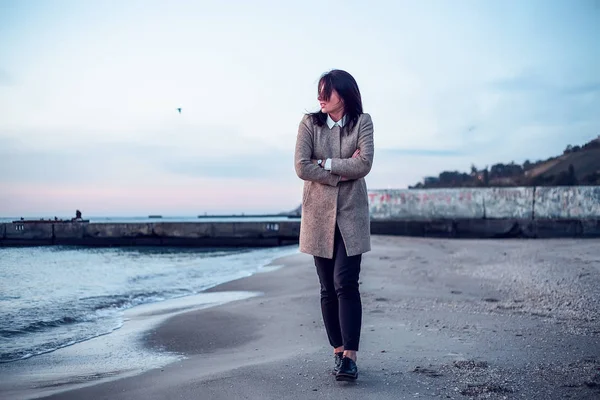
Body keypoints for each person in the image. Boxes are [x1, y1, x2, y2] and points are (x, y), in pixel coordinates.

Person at [294, 69, 374, 381]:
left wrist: (324, 164)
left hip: (351, 215)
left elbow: (364, 164)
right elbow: (301, 166)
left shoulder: (362, 121)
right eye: (319, 92)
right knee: (327, 287)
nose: (320, 98)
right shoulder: (309, 124)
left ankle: (351, 358)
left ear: (344, 94)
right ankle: (338, 351)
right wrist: (343, 170)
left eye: (327, 92)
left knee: (346, 281)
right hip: (317, 216)